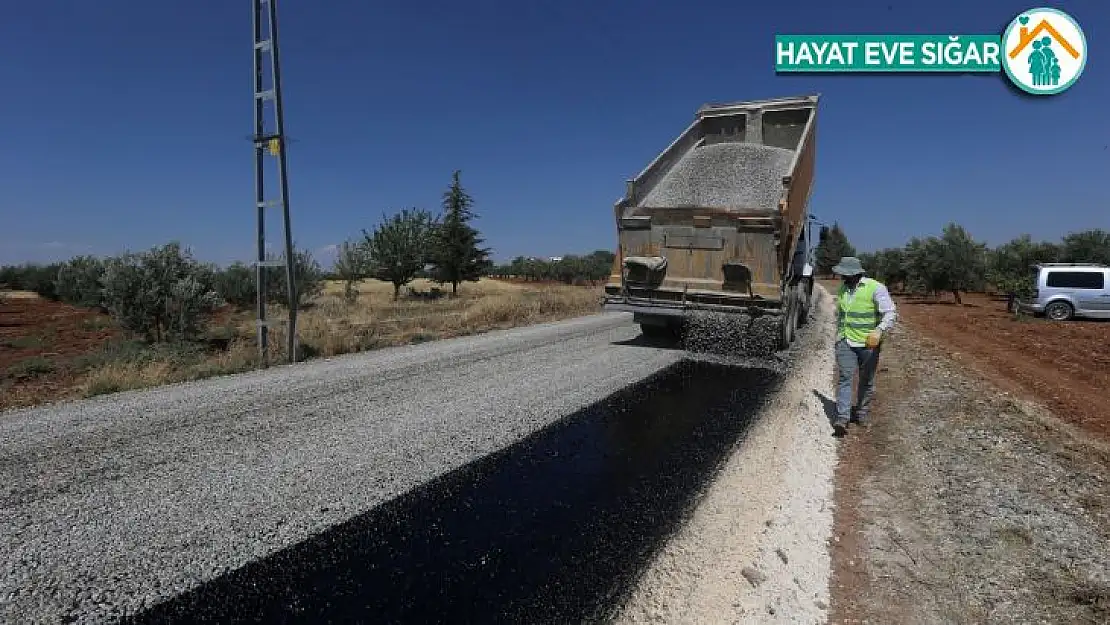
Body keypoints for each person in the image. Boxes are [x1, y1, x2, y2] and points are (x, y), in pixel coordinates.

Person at [831, 256, 897, 435]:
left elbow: (890, 313)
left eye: (845, 274)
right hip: (846, 341)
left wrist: (879, 330)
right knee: (845, 377)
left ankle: (861, 413)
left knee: (866, 380)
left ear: (855, 274)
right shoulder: (843, 289)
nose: (842, 277)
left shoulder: (875, 288)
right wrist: (838, 337)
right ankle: (842, 418)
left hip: (869, 343)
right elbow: (842, 315)